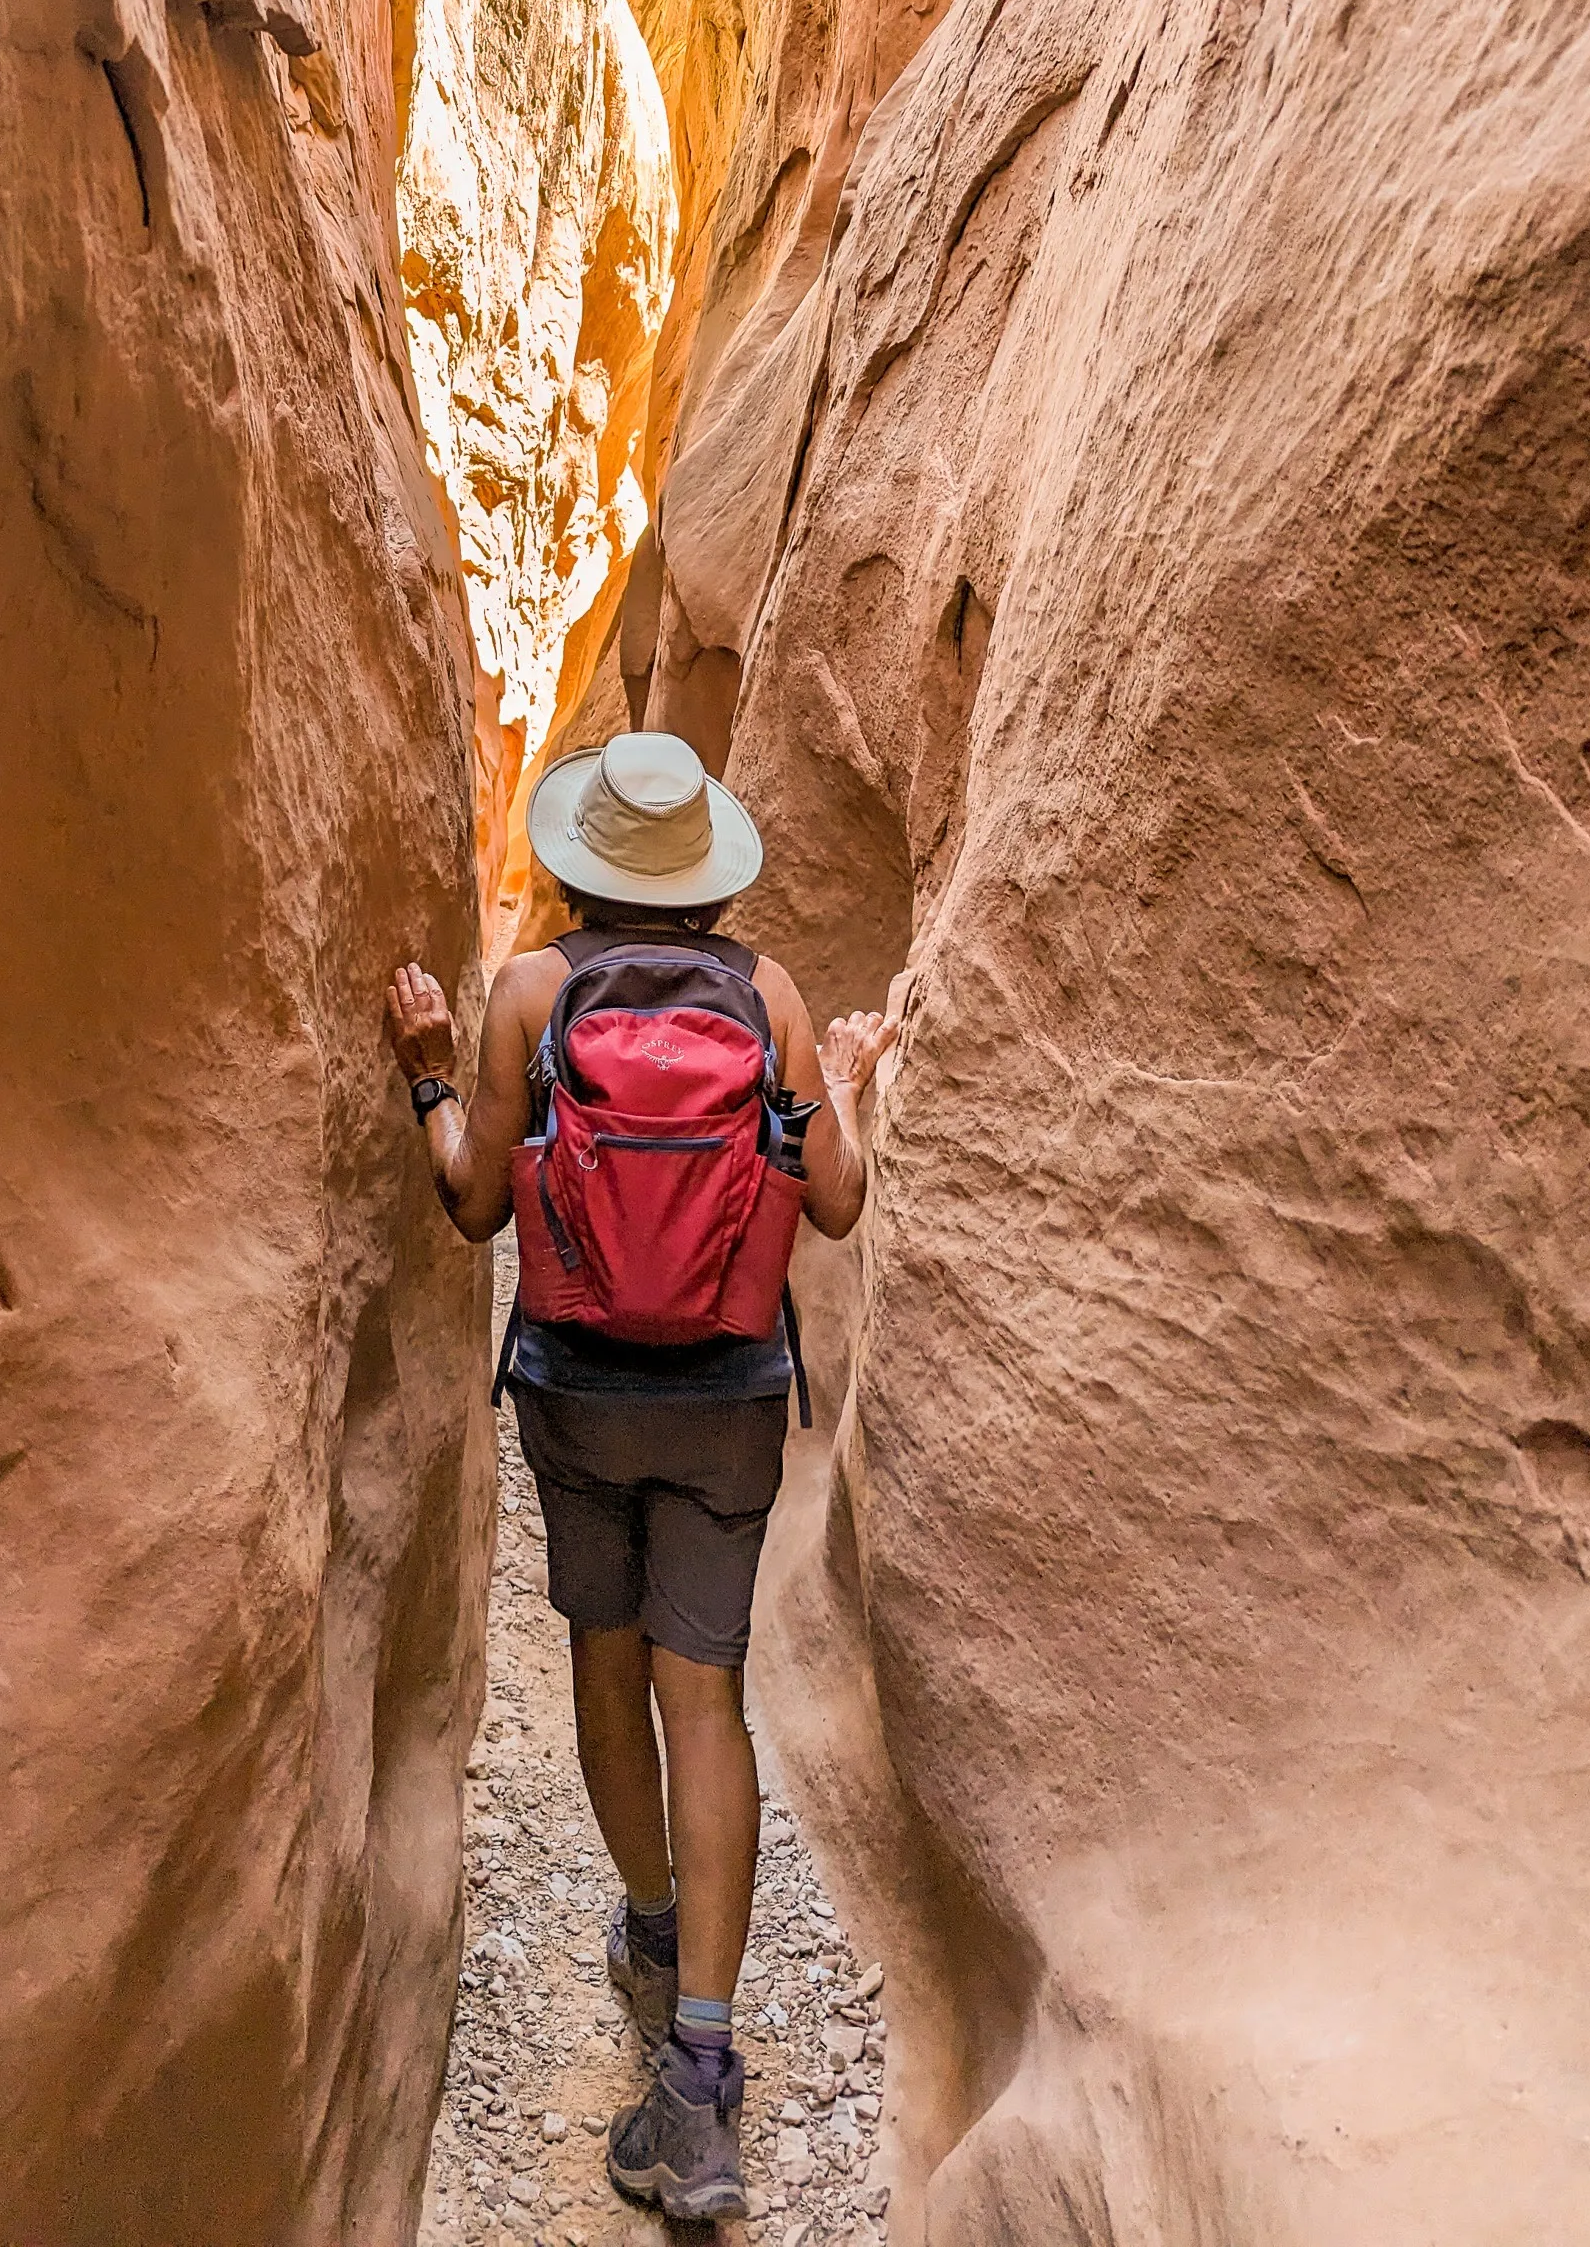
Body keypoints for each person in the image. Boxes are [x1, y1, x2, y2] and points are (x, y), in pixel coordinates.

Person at [387, 730, 894, 2222]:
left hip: (579, 1390)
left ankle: (656, 1925)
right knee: (704, 1694)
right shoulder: (769, 997)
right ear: (703, 870)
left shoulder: (529, 994)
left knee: (604, 1664)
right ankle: (701, 2076)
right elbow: (838, 1204)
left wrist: (428, 1080)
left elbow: (472, 1204)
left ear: (583, 862)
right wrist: (850, 1084)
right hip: (727, 1398)